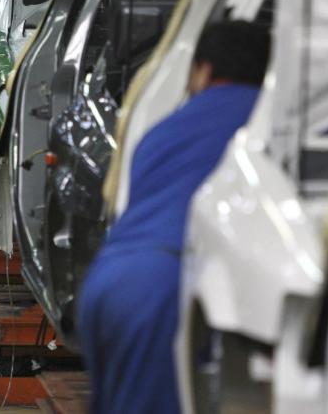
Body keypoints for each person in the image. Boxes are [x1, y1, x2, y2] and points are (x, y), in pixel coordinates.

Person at [78, 20, 271, 414]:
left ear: (203, 70)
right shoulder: (266, 123)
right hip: (163, 294)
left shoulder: (161, 131)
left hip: (108, 282)